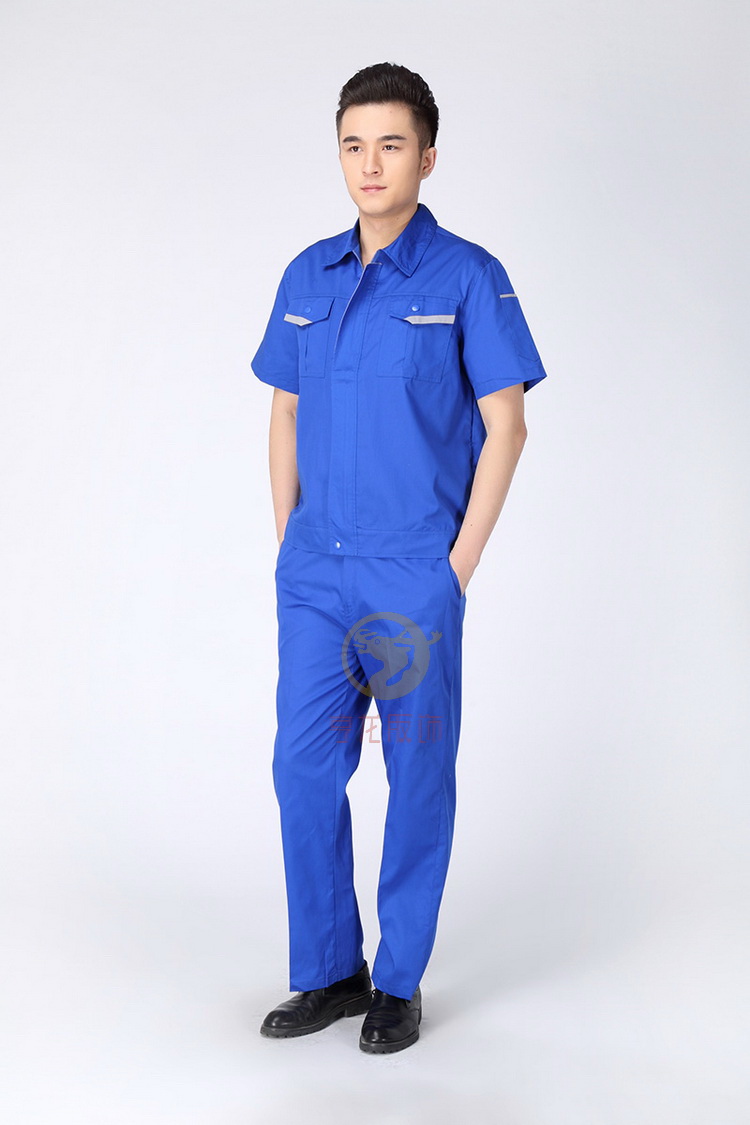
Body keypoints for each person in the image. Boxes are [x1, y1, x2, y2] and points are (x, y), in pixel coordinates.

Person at [251, 61, 548, 1054]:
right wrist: (288, 541)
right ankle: (331, 969)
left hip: (412, 576)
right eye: (353, 145)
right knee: (301, 771)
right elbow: (284, 412)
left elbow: (506, 426)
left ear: (427, 155)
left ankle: (398, 982)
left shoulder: (466, 276)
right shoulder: (307, 275)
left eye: (390, 144)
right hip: (316, 578)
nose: (370, 163)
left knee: (416, 775)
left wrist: (453, 572)